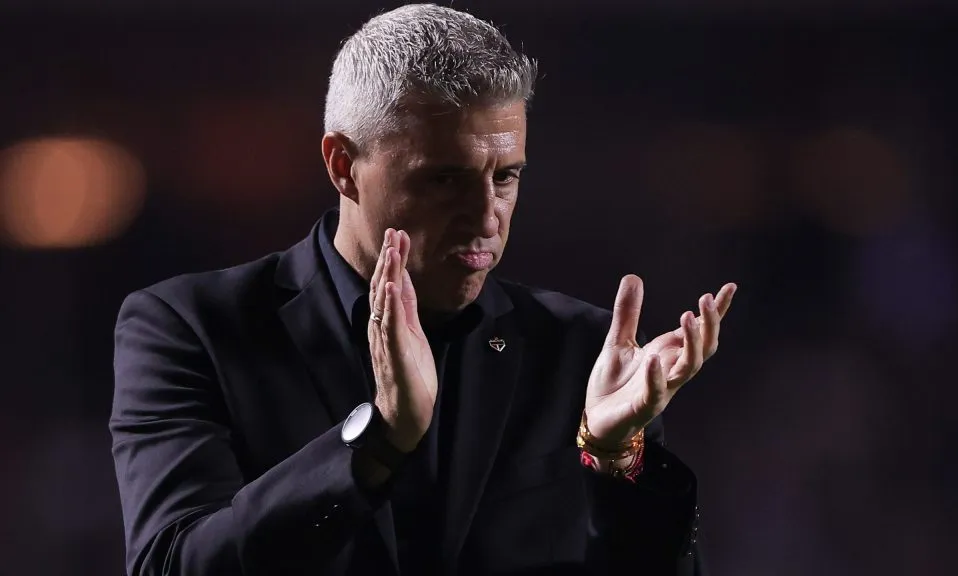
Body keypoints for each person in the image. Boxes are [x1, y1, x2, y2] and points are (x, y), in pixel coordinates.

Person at [109, 4, 737, 575]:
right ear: (342, 165)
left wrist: (615, 461)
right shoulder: (189, 328)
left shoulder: (581, 353)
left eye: (507, 177)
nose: (487, 216)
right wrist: (376, 442)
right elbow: (171, 565)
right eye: (444, 181)